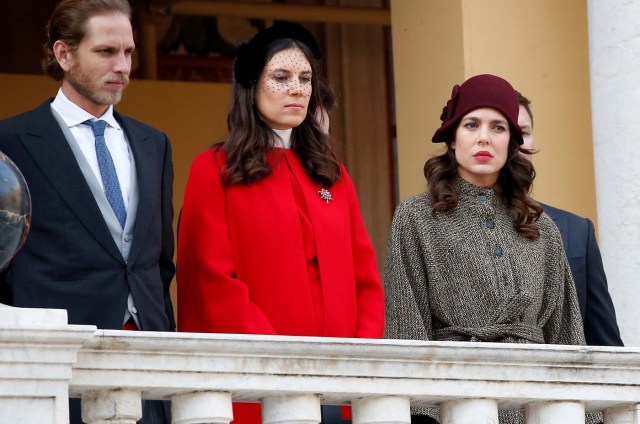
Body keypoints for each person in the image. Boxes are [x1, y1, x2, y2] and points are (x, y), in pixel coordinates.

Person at [177, 22, 385, 424]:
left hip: (340, 387)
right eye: (281, 76)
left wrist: (359, 359)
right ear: (252, 86)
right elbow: (212, 281)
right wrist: (281, 359)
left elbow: (366, 282)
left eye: (306, 78)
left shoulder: (334, 176)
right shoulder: (215, 169)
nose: (298, 89)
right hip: (258, 384)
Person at [0, 0, 175, 422]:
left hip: (148, 369)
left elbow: (158, 262)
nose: (123, 66)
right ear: (64, 54)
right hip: (52, 371)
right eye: (106, 52)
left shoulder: (155, 144)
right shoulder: (11, 141)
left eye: (129, 52)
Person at [383, 74, 586, 423]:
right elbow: (405, 327)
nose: (483, 138)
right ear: (452, 137)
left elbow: (567, 334)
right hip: (453, 402)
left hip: (533, 403)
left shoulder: (543, 229)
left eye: (498, 128)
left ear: (511, 143)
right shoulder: (415, 217)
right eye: (471, 124)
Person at [517, 91, 623, 346]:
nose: (515, 143)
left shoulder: (577, 231)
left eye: (524, 132)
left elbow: (605, 344)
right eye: (503, 129)